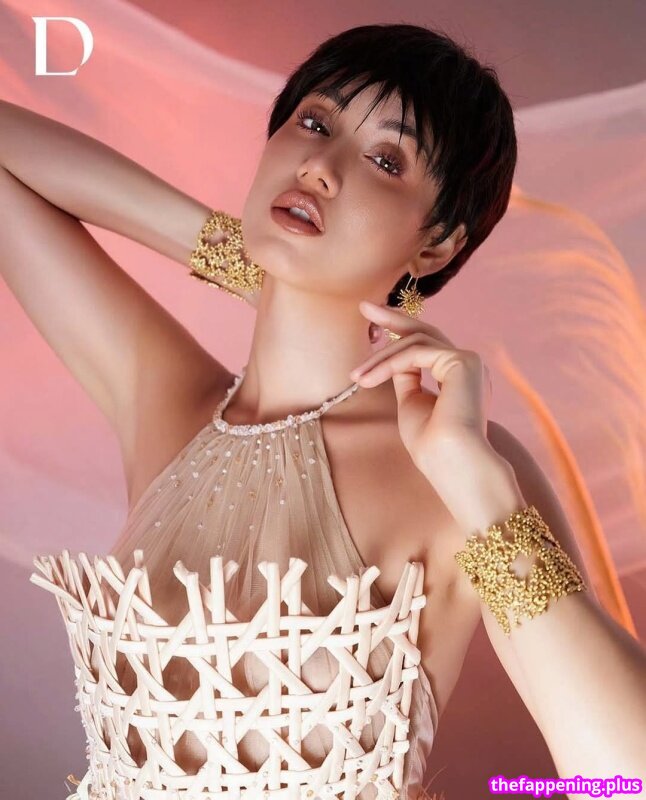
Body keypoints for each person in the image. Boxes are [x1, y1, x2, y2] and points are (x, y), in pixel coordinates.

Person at [3, 21, 645, 800]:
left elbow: (624, 779)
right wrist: (247, 260)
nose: (321, 167)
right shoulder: (169, 405)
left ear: (437, 245)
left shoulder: (458, 466)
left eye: (386, 160)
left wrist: (478, 489)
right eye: (314, 122)